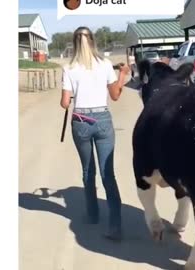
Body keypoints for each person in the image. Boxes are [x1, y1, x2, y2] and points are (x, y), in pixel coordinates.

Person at [60, 26, 130, 241]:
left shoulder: (69, 67)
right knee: (108, 173)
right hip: (102, 119)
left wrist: (74, 96)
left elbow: (64, 103)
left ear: (74, 42)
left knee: (88, 171)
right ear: (92, 41)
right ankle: (115, 226)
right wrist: (122, 77)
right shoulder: (106, 64)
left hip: (81, 120)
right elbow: (115, 96)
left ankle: (92, 215)